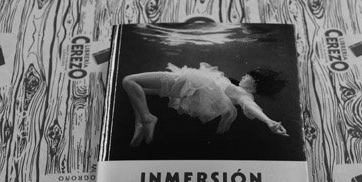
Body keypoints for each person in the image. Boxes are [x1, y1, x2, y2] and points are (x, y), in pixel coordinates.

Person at [122, 62, 288, 146]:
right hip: (189, 88)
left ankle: (147, 118)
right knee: (138, 91)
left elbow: (250, 107)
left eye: (248, 76)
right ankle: (140, 123)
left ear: (254, 84)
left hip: (188, 82)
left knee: (129, 81)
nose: (244, 76)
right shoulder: (239, 90)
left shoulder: (244, 95)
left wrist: (269, 122)